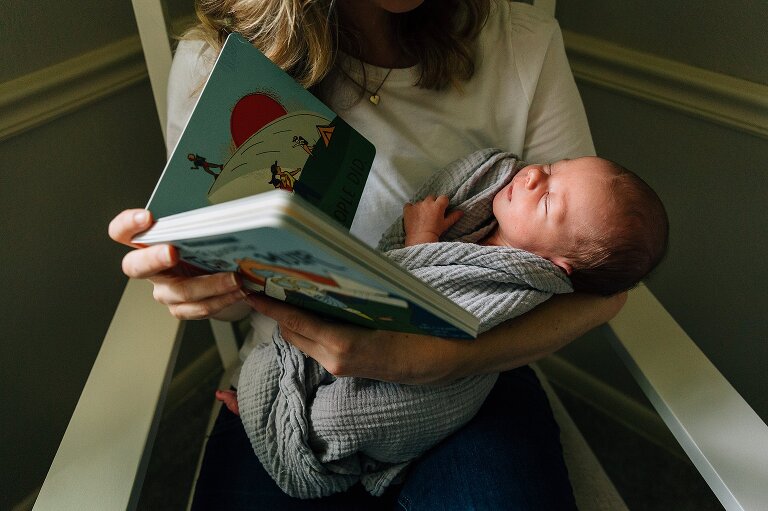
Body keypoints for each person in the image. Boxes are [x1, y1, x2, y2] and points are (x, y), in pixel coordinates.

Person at [109, 1, 628, 508]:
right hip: (295, 375)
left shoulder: (522, 43)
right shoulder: (216, 60)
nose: (533, 179)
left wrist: (436, 360)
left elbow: (598, 286)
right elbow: (235, 298)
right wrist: (198, 281)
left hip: (474, 371)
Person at [214, 150, 668, 499]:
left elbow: (426, 304)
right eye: (551, 167)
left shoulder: (516, 287)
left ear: (556, 265)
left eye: (548, 201)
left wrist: (421, 240)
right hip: (340, 348)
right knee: (271, 372)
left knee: (338, 416)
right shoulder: (486, 219)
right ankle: (275, 407)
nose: (532, 176)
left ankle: (283, 421)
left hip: (437, 389)